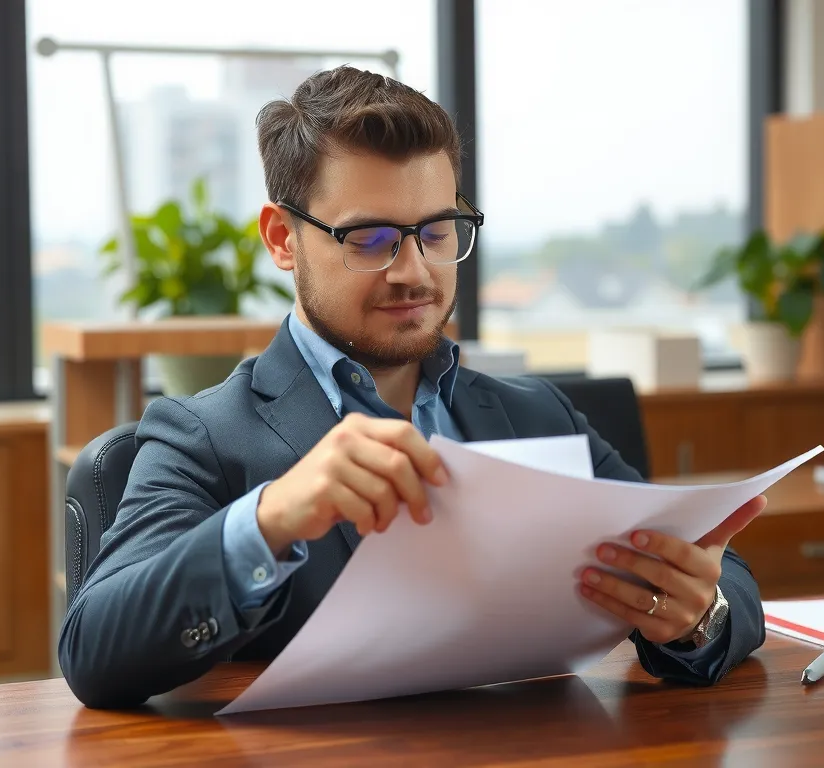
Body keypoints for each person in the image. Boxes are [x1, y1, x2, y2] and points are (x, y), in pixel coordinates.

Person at [58, 66, 767, 709]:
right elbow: (92, 650)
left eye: (436, 232)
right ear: (281, 239)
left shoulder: (534, 415)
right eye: (369, 239)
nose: (414, 271)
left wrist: (698, 615)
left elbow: (716, 573)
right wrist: (270, 519)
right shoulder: (203, 435)